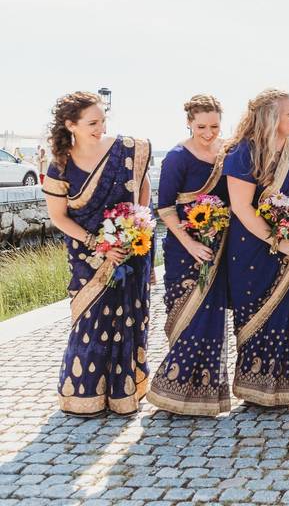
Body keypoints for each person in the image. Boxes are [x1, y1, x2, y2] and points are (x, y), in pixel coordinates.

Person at [42, 91, 152, 416]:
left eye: (103, 120)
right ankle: (85, 396)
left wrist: (133, 226)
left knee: (129, 318)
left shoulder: (128, 150)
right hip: (87, 255)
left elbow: (142, 185)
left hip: (129, 250)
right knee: (89, 321)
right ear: (70, 125)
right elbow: (58, 217)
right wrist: (97, 243)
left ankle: (122, 394)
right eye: (92, 122)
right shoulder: (59, 167)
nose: (100, 127)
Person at [224, 89, 289, 407]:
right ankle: (255, 390)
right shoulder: (245, 153)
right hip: (252, 246)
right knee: (254, 313)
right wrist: (276, 240)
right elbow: (241, 206)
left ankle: (286, 387)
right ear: (270, 118)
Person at [146, 95, 232, 416]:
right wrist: (191, 244)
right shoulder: (177, 158)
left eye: (214, 126)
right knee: (186, 317)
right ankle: (174, 392)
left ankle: (207, 394)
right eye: (201, 127)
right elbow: (165, 209)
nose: (208, 133)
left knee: (212, 318)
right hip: (184, 248)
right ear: (189, 123)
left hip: (218, 245)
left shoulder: (228, 152)